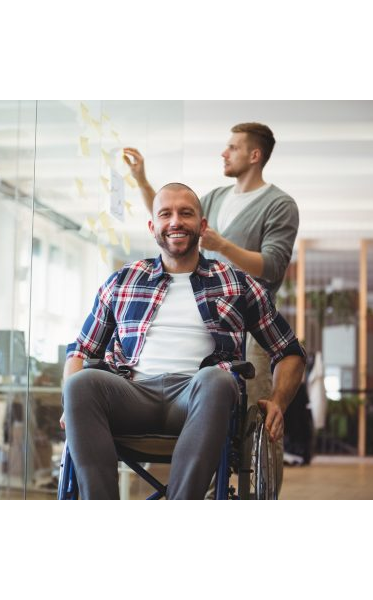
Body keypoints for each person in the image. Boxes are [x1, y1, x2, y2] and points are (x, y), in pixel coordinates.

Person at [59, 183, 305, 499]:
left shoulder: (234, 281)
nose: (176, 221)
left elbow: (288, 349)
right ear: (153, 227)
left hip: (199, 396)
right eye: (166, 214)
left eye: (186, 213)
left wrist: (279, 402)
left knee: (217, 380)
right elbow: (81, 349)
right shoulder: (124, 280)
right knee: (79, 385)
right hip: (132, 392)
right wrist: (71, 404)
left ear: (202, 226)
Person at [123, 123, 299, 491]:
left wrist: (222, 248)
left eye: (232, 147)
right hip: (198, 307)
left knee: (258, 419)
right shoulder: (216, 197)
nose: (223, 152)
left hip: (246, 319)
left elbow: (272, 266)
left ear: (254, 155)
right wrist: (141, 180)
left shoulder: (278, 205)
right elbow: (171, 217)